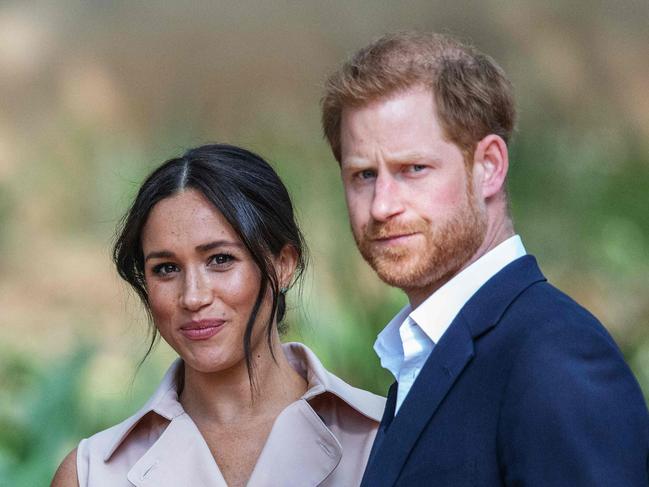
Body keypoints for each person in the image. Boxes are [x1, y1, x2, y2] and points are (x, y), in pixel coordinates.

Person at [321, 32, 649, 486]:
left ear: (490, 165)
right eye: (363, 175)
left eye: (413, 169)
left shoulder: (554, 358)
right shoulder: (425, 354)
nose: (381, 206)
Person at [51, 144, 385, 487]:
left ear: (283, 264)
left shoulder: (385, 436)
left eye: (220, 259)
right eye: (166, 268)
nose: (193, 297)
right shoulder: (92, 474)